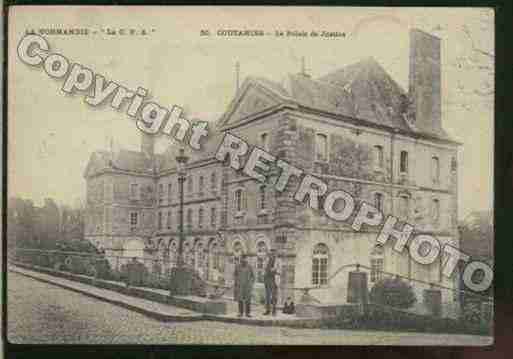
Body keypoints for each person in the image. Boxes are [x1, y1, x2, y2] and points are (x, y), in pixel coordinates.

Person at [263, 250, 279, 316]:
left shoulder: (278, 261)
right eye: (270, 254)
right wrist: (269, 270)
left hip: (274, 279)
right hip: (267, 279)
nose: (271, 255)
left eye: (273, 254)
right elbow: (265, 268)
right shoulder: (267, 261)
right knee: (267, 296)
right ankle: (268, 310)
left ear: (275, 254)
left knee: (274, 296)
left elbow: (276, 270)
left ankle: (274, 311)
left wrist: (271, 270)